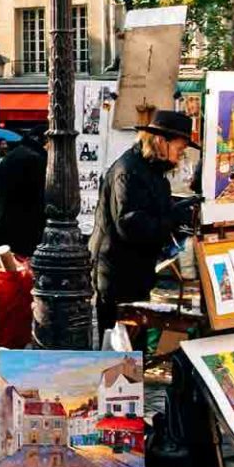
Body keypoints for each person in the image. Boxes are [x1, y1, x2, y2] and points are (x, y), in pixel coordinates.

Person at [89, 110, 199, 337]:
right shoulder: (129, 170)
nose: (180, 157)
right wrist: (173, 218)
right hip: (118, 272)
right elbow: (131, 225)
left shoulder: (152, 171)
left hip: (136, 270)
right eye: (179, 150)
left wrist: (178, 211)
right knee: (119, 344)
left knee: (134, 345)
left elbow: (153, 212)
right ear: (160, 141)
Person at [0, 132, 46, 258]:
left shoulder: (8, 158)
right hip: (29, 226)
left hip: (7, 224)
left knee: (12, 268)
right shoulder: (37, 159)